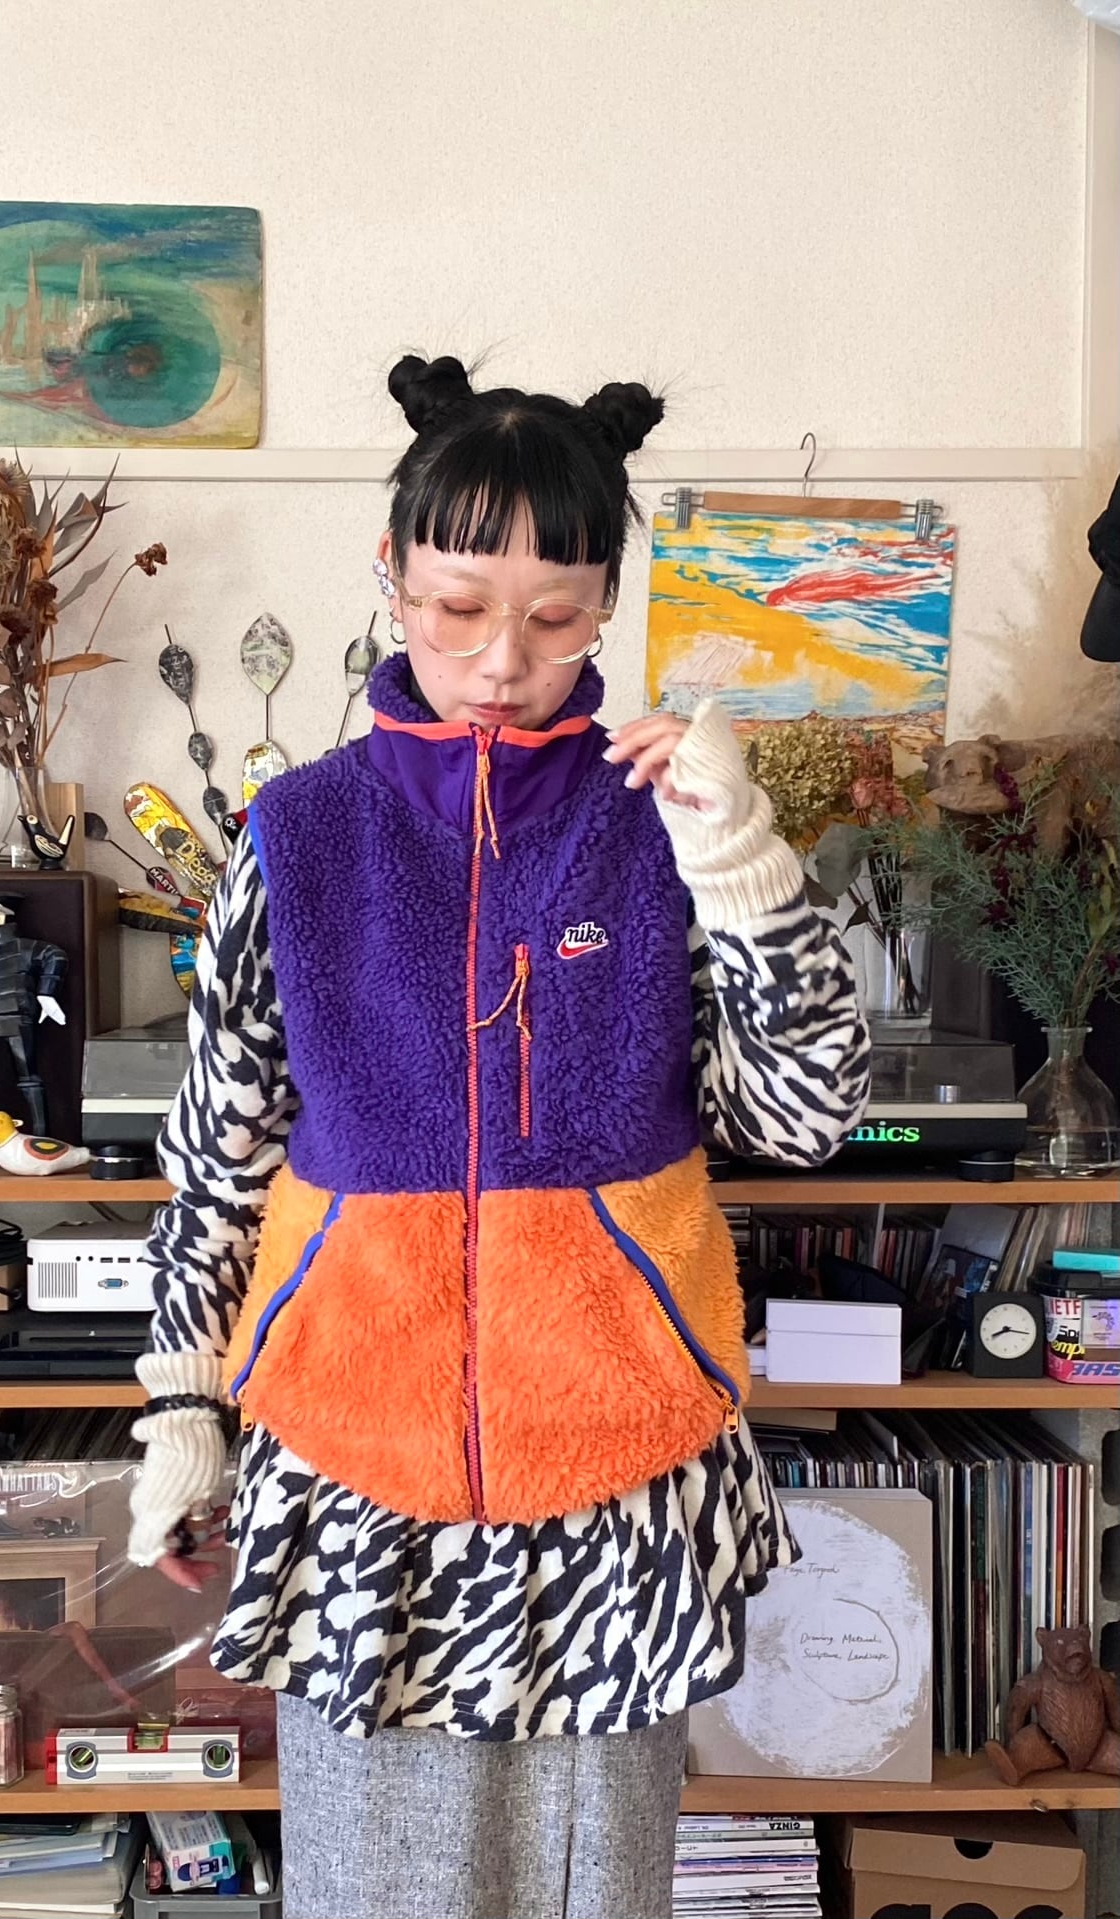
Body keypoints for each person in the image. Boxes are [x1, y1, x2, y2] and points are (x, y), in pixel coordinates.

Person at [127, 355, 871, 1919]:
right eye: (457, 608)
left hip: (620, 1455)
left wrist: (742, 861)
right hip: (355, 1457)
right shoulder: (299, 832)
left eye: (555, 618)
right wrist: (184, 1407)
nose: (499, 662)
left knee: (596, 1889)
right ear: (392, 577)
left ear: (605, 605)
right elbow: (218, 1151)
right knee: (372, 1888)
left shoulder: (662, 819)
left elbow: (804, 1117)